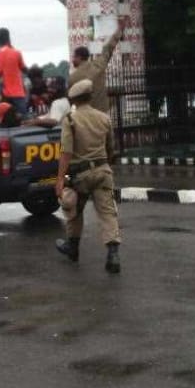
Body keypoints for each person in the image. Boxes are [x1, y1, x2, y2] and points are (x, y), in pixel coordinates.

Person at [54, 79, 122, 273]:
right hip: (103, 171)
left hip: (80, 175)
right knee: (108, 212)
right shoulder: (104, 118)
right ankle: (113, 254)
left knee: (74, 210)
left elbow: (66, 152)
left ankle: (73, 248)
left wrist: (59, 179)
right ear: (90, 97)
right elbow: (111, 148)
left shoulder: (70, 120)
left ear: (73, 100)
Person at [68, 17, 128, 113]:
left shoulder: (73, 78)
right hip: (102, 114)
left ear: (79, 57)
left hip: (85, 117)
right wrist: (120, 29)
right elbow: (108, 48)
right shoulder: (98, 66)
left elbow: (70, 101)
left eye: (74, 57)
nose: (72, 60)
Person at [0, 28, 28, 115]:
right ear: (9, 38)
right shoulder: (16, 53)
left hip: (0, 94)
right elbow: (24, 69)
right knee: (23, 120)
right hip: (17, 93)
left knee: (1, 118)